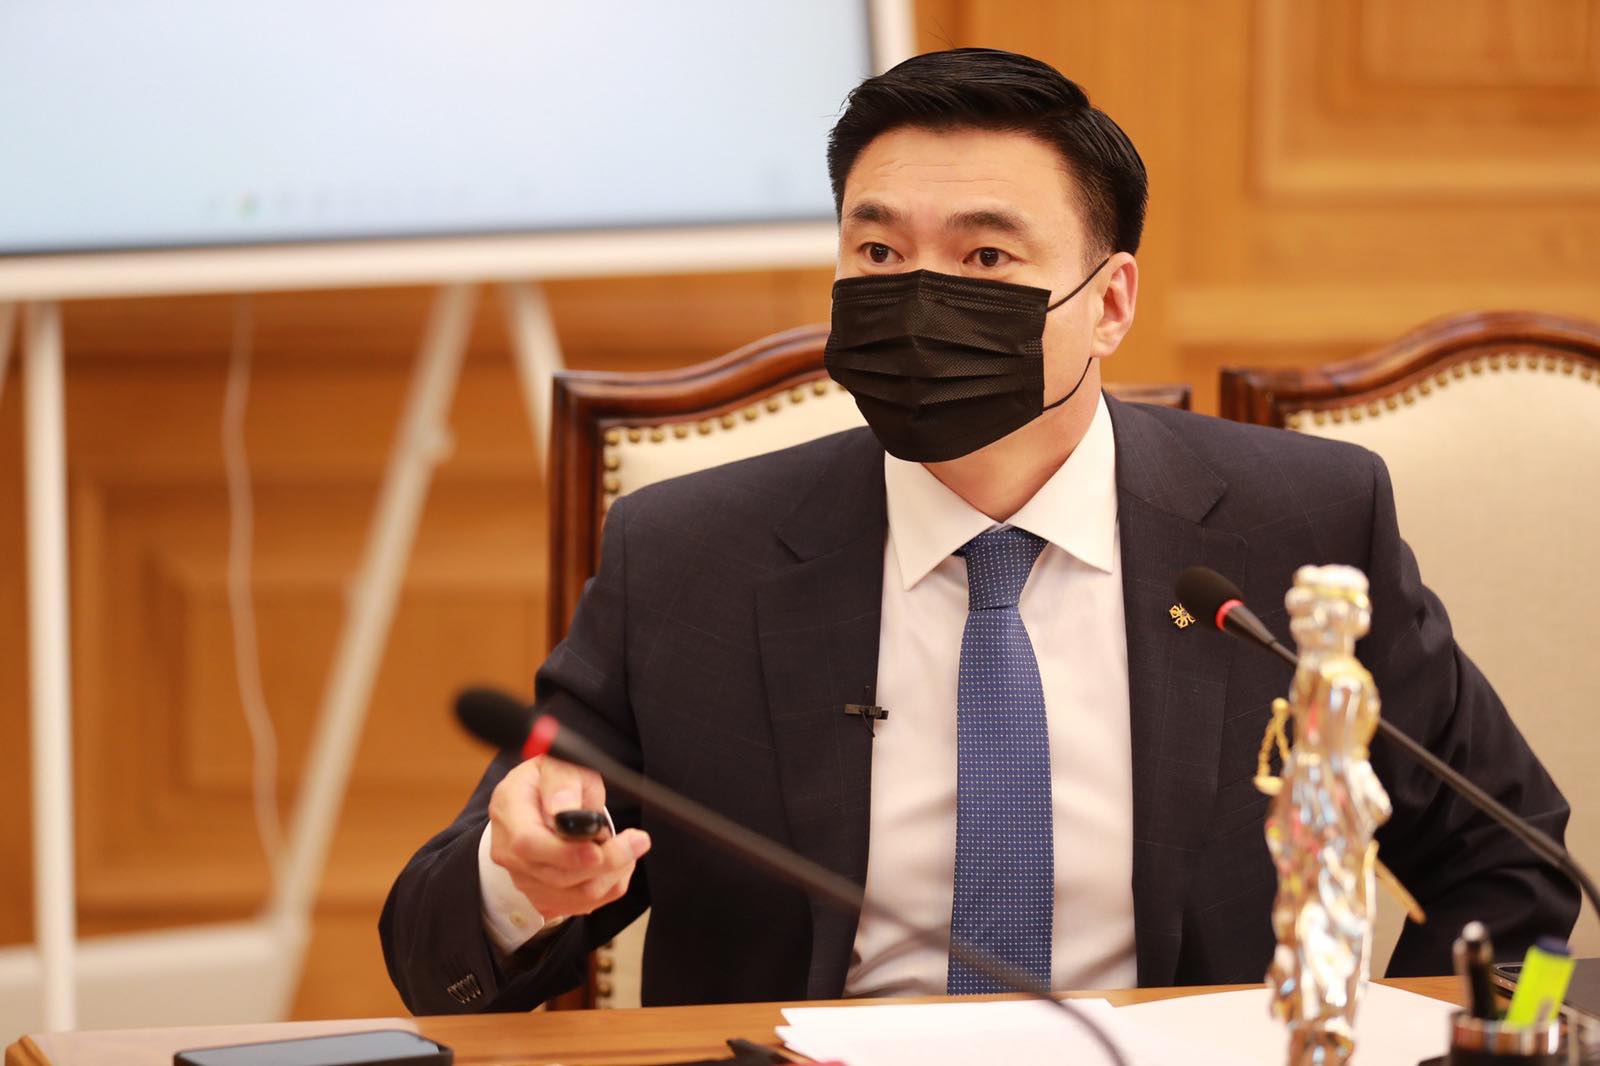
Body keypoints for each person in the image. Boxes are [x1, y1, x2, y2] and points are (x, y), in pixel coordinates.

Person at [380, 48, 1577, 1014]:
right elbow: (435, 959)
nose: (917, 295)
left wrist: (1454, 1039)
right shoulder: (693, 557)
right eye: (877, 251)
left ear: (1109, 302)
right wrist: (518, 882)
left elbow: (1519, 868)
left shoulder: (1300, 529)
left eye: (986, 255)